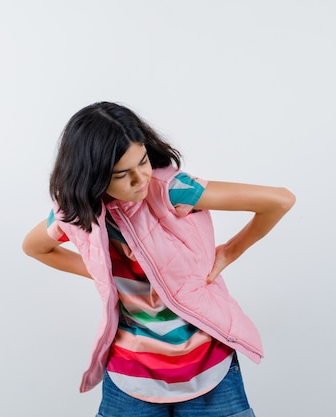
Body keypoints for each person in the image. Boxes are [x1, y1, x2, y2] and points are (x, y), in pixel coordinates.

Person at [22, 101, 295, 417]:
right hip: (131, 377)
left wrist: (229, 252)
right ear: (93, 176)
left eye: (143, 161)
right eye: (123, 174)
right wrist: (103, 272)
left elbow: (279, 200)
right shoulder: (77, 213)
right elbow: (35, 247)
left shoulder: (171, 188)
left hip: (208, 367)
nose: (141, 179)